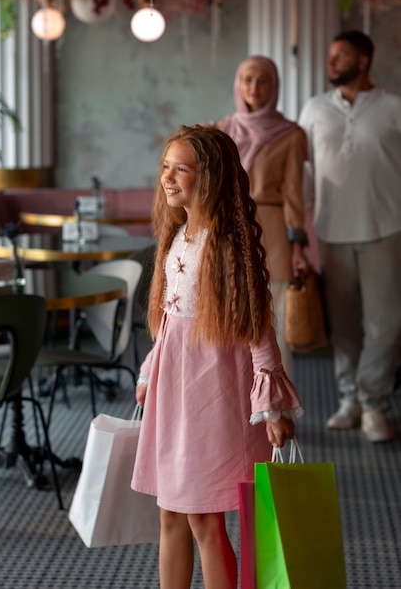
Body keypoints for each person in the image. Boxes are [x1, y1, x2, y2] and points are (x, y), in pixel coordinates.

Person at [131, 125, 303, 589]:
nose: (168, 177)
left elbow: (256, 327)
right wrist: (151, 370)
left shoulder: (226, 246)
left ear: (209, 178)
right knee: (170, 513)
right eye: (166, 166)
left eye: (181, 169)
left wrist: (272, 405)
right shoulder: (179, 235)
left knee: (205, 520)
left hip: (210, 393)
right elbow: (170, 321)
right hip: (174, 393)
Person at [298, 30, 401, 442]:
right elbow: (303, 171)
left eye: (341, 55)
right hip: (331, 232)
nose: (332, 62)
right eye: (330, 55)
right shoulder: (314, 109)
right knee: (343, 327)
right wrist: (295, 234)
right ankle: (350, 400)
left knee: (385, 324)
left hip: (386, 229)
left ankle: (375, 404)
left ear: (363, 61)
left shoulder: (394, 108)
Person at [217, 55, 309, 378]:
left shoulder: (291, 135)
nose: (254, 87)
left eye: (262, 80)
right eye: (247, 80)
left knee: (274, 331)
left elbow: (294, 195)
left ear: (274, 87)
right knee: (229, 330)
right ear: (238, 85)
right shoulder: (223, 129)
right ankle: (238, 422)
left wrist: (298, 246)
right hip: (227, 235)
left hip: (273, 237)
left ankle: (281, 420)